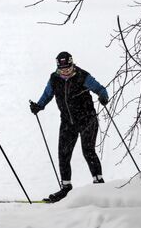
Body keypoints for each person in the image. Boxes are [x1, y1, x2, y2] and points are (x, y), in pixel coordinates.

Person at [29, 51, 109, 202]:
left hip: (87, 120)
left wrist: (103, 96)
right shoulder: (54, 79)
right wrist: (39, 106)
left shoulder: (82, 75)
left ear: (72, 65)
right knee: (63, 154)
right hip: (68, 122)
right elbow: (47, 94)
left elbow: (100, 89)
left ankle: (99, 183)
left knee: (88, 151)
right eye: (62, 69)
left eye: (68, 68)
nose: (65, 72)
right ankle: (66, 188)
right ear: (57, 67)